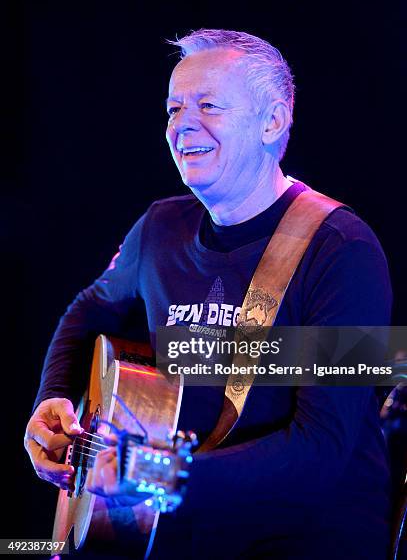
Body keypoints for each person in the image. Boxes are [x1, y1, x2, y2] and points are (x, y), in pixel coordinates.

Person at [24, 29, 393, 559]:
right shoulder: (159, 228)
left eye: (208, 105)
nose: (181, 125)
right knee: (22, 549)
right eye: (173, 108)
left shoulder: (343, 248)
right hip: (172, 537)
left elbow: (322, 450)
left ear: (273, 121)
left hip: (299, 541)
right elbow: (87, 311)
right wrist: (52, 400)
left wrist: (157, 475)